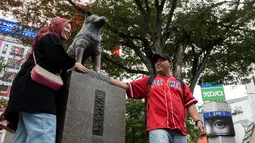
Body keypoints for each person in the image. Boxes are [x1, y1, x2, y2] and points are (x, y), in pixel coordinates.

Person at [2, 17, 89, 143]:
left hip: (26, 93)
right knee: (43, 132)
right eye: (66, 27)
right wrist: (74, 64)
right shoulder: (50, 37)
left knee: (23, 136)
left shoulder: (42, 40)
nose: (69, 31)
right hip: (37, 94)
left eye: (70, 29)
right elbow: (57, 55)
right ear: (57, 26)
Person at [110, 53, 206, 143]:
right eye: (156, 62)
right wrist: (105, 79)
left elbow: (190, 104)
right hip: (158, 127)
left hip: (180, 130)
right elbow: (127, 86)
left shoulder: (181, 84)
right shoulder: (149, 81)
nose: (158, 63)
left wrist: (197, 121)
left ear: (169, 63)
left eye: (161, 60)